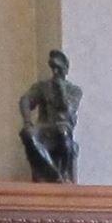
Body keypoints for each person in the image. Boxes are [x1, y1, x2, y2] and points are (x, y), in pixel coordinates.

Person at [19, 48, 80, 183]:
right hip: (45, 127)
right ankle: (54, 174)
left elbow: (68, 109)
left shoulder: (74, 91)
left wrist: (61, 90)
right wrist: (27, 121)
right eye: (53, 68)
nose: (55, 72)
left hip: (63, 126)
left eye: (59, 68)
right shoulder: (43, 87)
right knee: (28, 134)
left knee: (63, 135)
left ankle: (60, 175)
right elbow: (25, 100)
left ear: (65, 69)